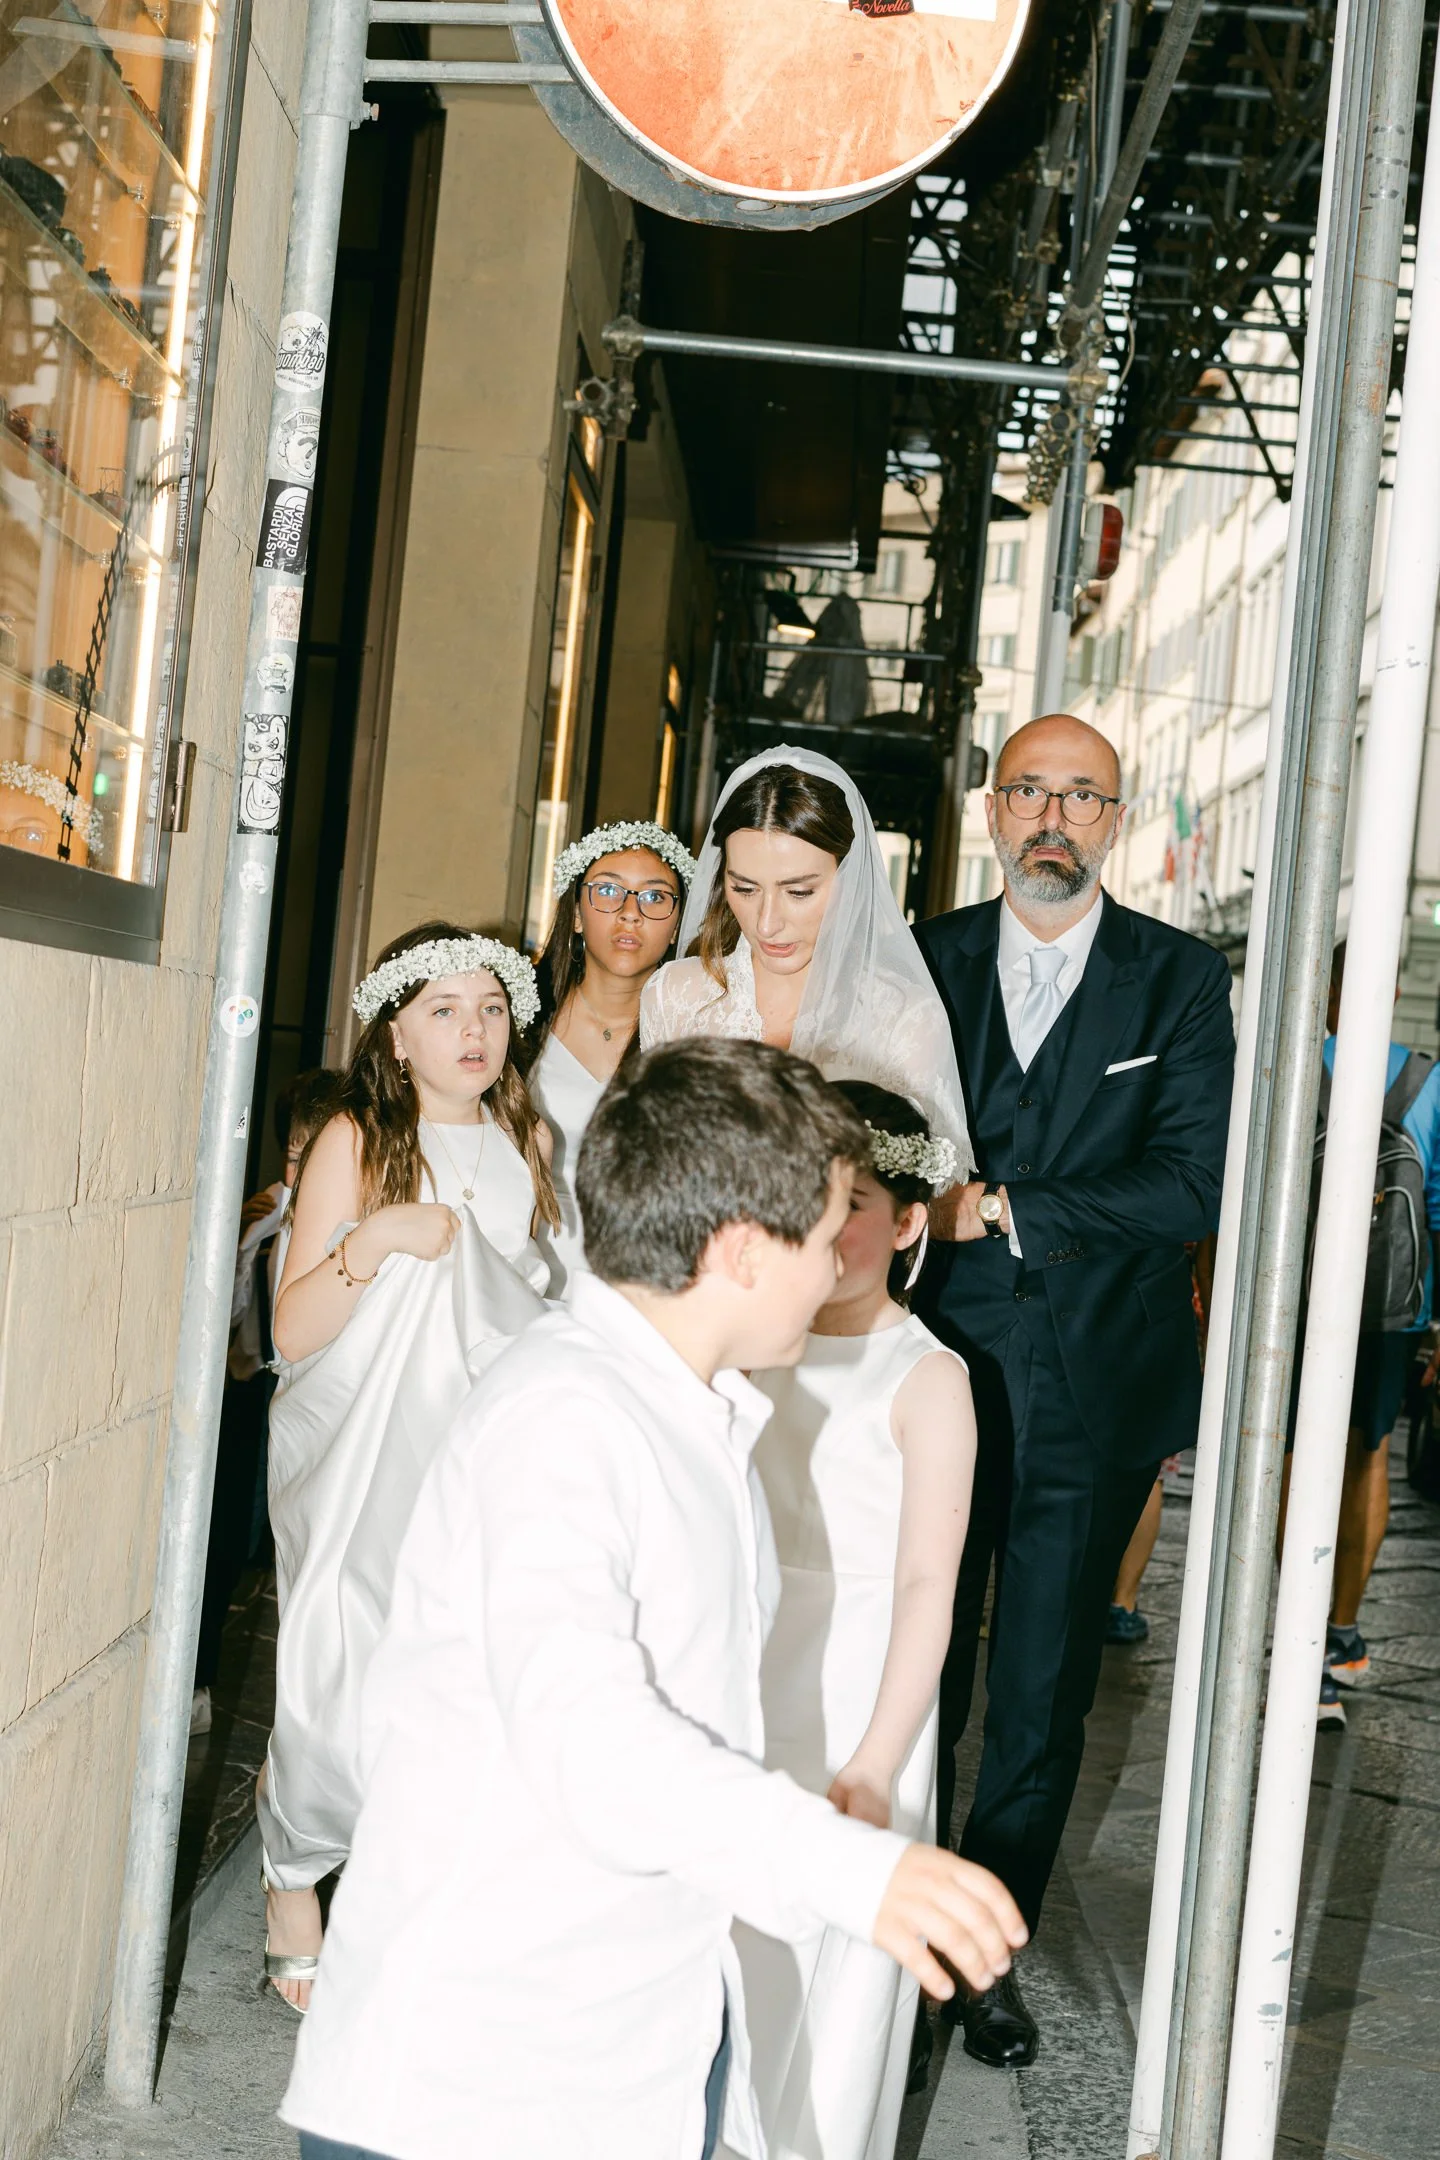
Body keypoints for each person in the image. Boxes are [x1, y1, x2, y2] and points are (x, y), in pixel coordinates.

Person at [280, 1039, 1026, 2160]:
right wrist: (846, 1867)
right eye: (824, 1241)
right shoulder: (565, 1418)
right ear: (738, 1250)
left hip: (619, 2052)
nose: (836, 1271)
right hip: (472, 2080)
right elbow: (591, 1734)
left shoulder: (692, 1408)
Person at [915, 712, 1234, 2068]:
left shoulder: (1178, 979)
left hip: (1096, 1382)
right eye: (1029, 790)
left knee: (1042, 1688)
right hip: (925, 1369)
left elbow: (1194, 1180)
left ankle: (984, 1957)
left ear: (1116, 819)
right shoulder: (919, 961)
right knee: (911, 1663)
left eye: (1081, 797)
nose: (1053, 816)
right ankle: (893, 1924)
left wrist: (1009, 1205)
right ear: (994, 808)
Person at [258, 922, 558, 2011]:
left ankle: (417, 1901)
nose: (472, 1030)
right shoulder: (356, 1139)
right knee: (345, 1662)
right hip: (366, 1446)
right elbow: (293, 1334)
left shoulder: (527, 1141)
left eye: (489, 1007)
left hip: (475, 1449)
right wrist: (376, 1241)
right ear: (395, 1033)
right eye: (443, 1009)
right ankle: (295, 1874)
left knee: (459, 1679)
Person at [732, 1081, 975, 2160]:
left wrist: (879, 1761)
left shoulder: (930, 1378)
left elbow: (931, 1586)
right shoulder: (752, 1338)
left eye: (859, 1202)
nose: (829, 1231)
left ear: (913, 1220)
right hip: (743, 1664)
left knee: (838, 1969)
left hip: (866, 1691)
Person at [640, 743, 974, 1173]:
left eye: (798, 892)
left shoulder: (903, 1021)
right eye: (744, 889)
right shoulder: (674, 996)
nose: (766, 923)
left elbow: (926, 1197)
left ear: (849, 880)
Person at [1282, 942, 1440, 1730]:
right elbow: (1437, 1208)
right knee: (1369, 1452)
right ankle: (1343, 1628)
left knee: (1291, 1453)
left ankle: (1288, 1617)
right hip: (1393, 1306)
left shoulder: (1296, 1065)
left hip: (1300, 1301)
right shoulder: (1426, 1078)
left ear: (1329, 987)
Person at [191, 1068, 339, 1737]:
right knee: (230, 1542)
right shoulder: (263, 1219)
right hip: (253, 1400)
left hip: (325, 1411)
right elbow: (230, 1318)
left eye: (319, 1151)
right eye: (294, 1152)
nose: (302, 1168)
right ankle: (199, 1681)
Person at [528, 818, 697, 1290]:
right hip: (525, 1260)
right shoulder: (520, 1024)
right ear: (577, 914)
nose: (630, 913)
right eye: (608, 892)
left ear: (677, 924)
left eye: (655, 897)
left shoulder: (692, 1036)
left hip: (645, 1276)